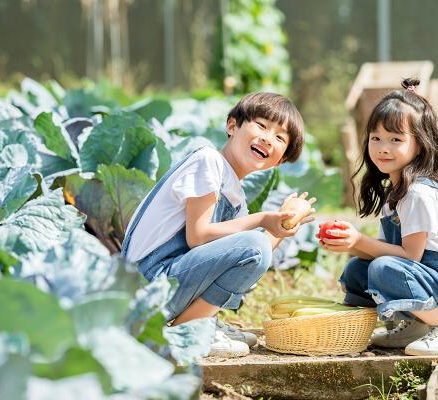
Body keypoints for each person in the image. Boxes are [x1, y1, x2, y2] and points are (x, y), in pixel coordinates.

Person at [122, 92, 315, 357]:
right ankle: (188, 329)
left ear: (280, 160)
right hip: (145, 287)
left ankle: (200, 322)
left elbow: (253, 259)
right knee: (254, 244)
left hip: (166, 285)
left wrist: (285, 223)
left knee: (255, 248)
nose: (268, 138)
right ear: (232, 125)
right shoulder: (208, 161)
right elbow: (198, 237)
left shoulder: (235, 195)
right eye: (261, 125)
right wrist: (262, 219)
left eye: (280, 137)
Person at [319, 78, 438, 355]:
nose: (383, 147)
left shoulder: (419, 193)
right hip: (431, 281)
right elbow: (384, 251)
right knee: (358, 269)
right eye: (376, 138)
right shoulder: (395, 192)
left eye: (396, 139)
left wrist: (359, 239)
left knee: (383, 269)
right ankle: (417, 323)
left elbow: (409, 257)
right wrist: (349, 243)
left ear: (420, 144)